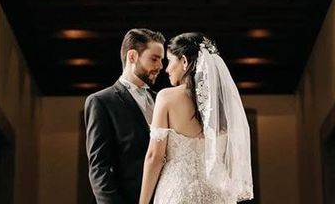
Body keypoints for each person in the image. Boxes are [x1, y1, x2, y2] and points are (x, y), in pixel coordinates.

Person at [138, 32, 254, 204]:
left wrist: (143, 202)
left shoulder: (166, 98)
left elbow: (154, 156)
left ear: (184, 61)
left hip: (178, 192)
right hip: (217, 193)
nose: (167, 69)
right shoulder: (224, 104)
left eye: (170, 61)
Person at [85, 28, 166, 204]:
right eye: (154, 59)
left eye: (162, 60)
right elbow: (99, 168)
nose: (160, 66)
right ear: (132, 56)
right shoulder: (101, 102)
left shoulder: (162, 99)